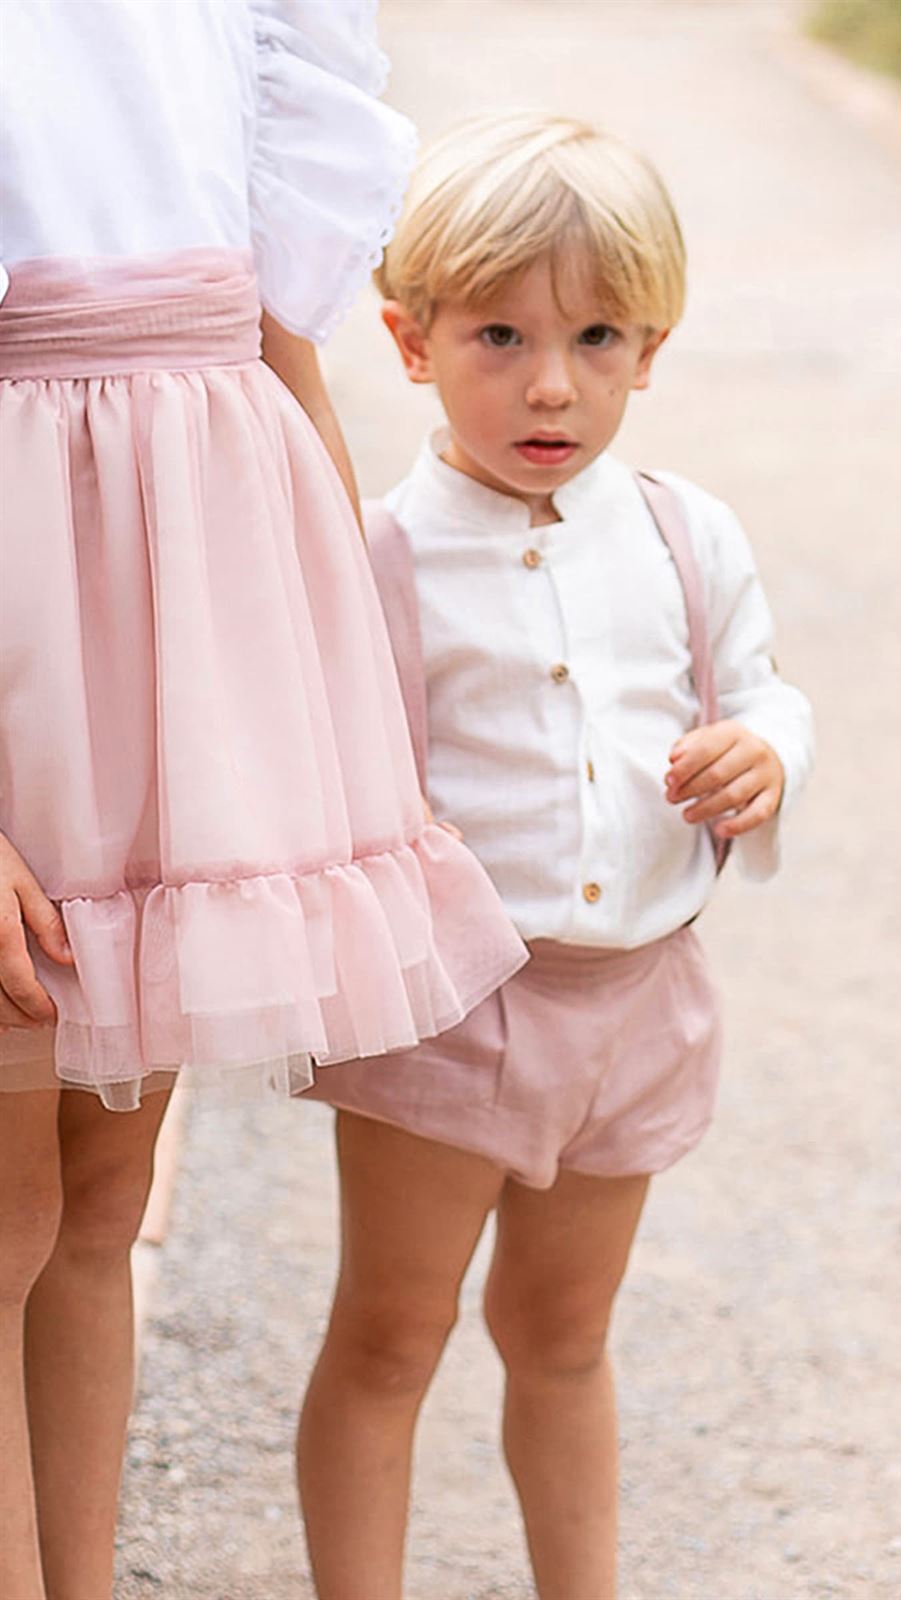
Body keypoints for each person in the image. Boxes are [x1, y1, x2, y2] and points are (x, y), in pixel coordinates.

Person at [0, 7, 526, 1597]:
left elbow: (277, 342)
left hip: (189, 624)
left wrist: (338, 694)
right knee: (7, 1210)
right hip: (27, 625)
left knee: (101, 1194)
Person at [299, 111, 816, 1600]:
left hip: (637, 1007)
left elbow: (763, 683)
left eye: (597, 337)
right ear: (409, 339)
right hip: (451, 1016)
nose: (550, 383)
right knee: (391, 1336)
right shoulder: (382, 551)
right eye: (499, 336)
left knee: (565, 1336)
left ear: (650, 346)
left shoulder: (679, 532)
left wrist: (766, 755)